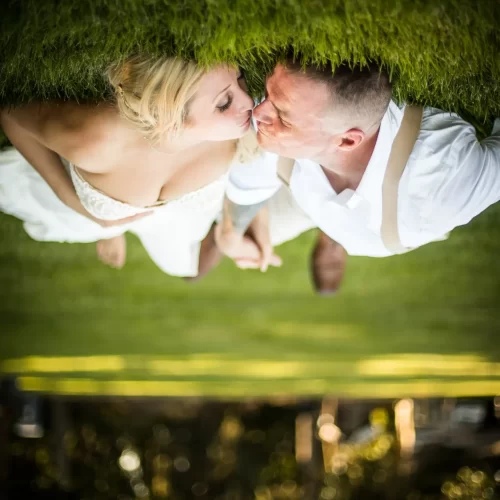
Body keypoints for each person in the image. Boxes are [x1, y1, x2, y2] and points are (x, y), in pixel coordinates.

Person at [216, 55, 500, 294]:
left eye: (283, 116)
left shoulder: (438, 183)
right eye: (267, 95)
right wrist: (230, 235)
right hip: (305, 199)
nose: (258, 111)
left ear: (348, 141)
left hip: (356, 212)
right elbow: (247, 183)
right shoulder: (281, 135)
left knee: (182, 258)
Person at [0, 54, 280, 278]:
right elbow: (11, 114)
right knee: (189, 270)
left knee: (188, 269)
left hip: (183, 215)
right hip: (103, 219)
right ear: (171, 119)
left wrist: (238, 227)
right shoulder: (97, 141)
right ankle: (113, 234)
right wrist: (69, 198)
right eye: (223, 103)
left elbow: (255, 176)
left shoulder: (238, 131)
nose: (248, 101)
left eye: (240, 79)